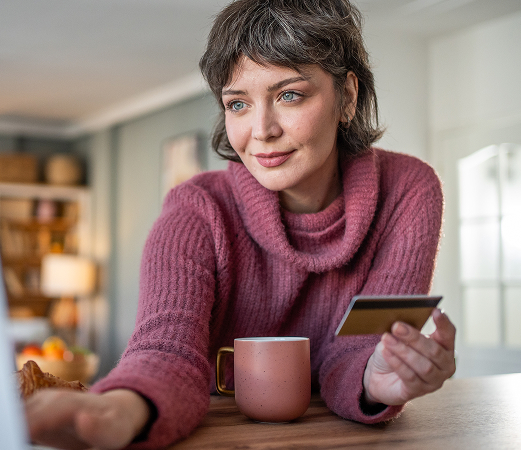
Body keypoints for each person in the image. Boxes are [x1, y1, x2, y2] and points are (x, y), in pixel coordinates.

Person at [25, 0, 456, 448]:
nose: (262, 130)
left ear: (347, 96)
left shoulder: (408, 190)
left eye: (289, 94)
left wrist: (378, 376)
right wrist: (115, 409)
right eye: (238, 104)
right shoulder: (196, 211)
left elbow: (358, 351)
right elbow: (167, 351)